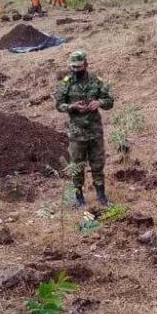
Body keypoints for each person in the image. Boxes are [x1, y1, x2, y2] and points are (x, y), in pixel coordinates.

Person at [54, 50, 115, 207]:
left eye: (79, 67)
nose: (76, 70)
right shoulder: (66, 83)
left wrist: (99, 103)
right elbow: (59, 105)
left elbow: (110, 100)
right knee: (77, 165)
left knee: (97, 164)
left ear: (86, 65)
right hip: (77, 133)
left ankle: (101, 196)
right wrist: (71, 106)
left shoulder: (96, 80)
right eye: (73, 67)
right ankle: (79, 196)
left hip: (95, 131)